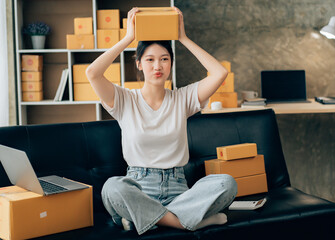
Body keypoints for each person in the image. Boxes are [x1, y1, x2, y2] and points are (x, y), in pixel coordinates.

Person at [86, 7, 237, 235]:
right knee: (112, 187)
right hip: (138, 187)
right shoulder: (124, 99)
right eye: (150, 60)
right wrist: (129, 37)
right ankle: (181, 221)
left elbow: (219, 73)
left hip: (178, 189)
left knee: (227, 183)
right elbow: (93, 73)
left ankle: (144, 219)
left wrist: (182, 37)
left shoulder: (182, 99)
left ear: (171, 64)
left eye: (164, 59)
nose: (157, 66)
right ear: (138, 63)